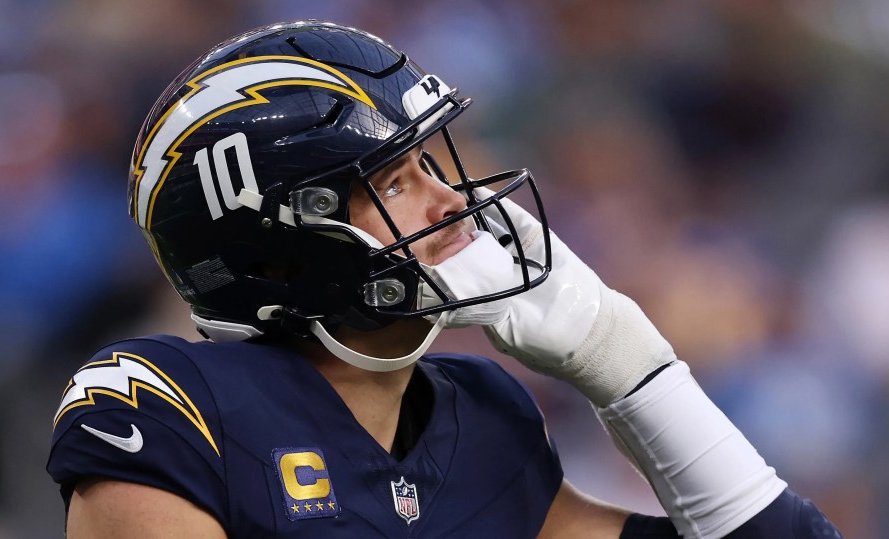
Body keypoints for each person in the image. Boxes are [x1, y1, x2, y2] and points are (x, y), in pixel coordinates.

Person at [47, 20, 842, 538]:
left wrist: (630, 365)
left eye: (430, 162)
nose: (451, 199)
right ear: (279, 247)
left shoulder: (478, 420)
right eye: (394, 182)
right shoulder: (166, 406)